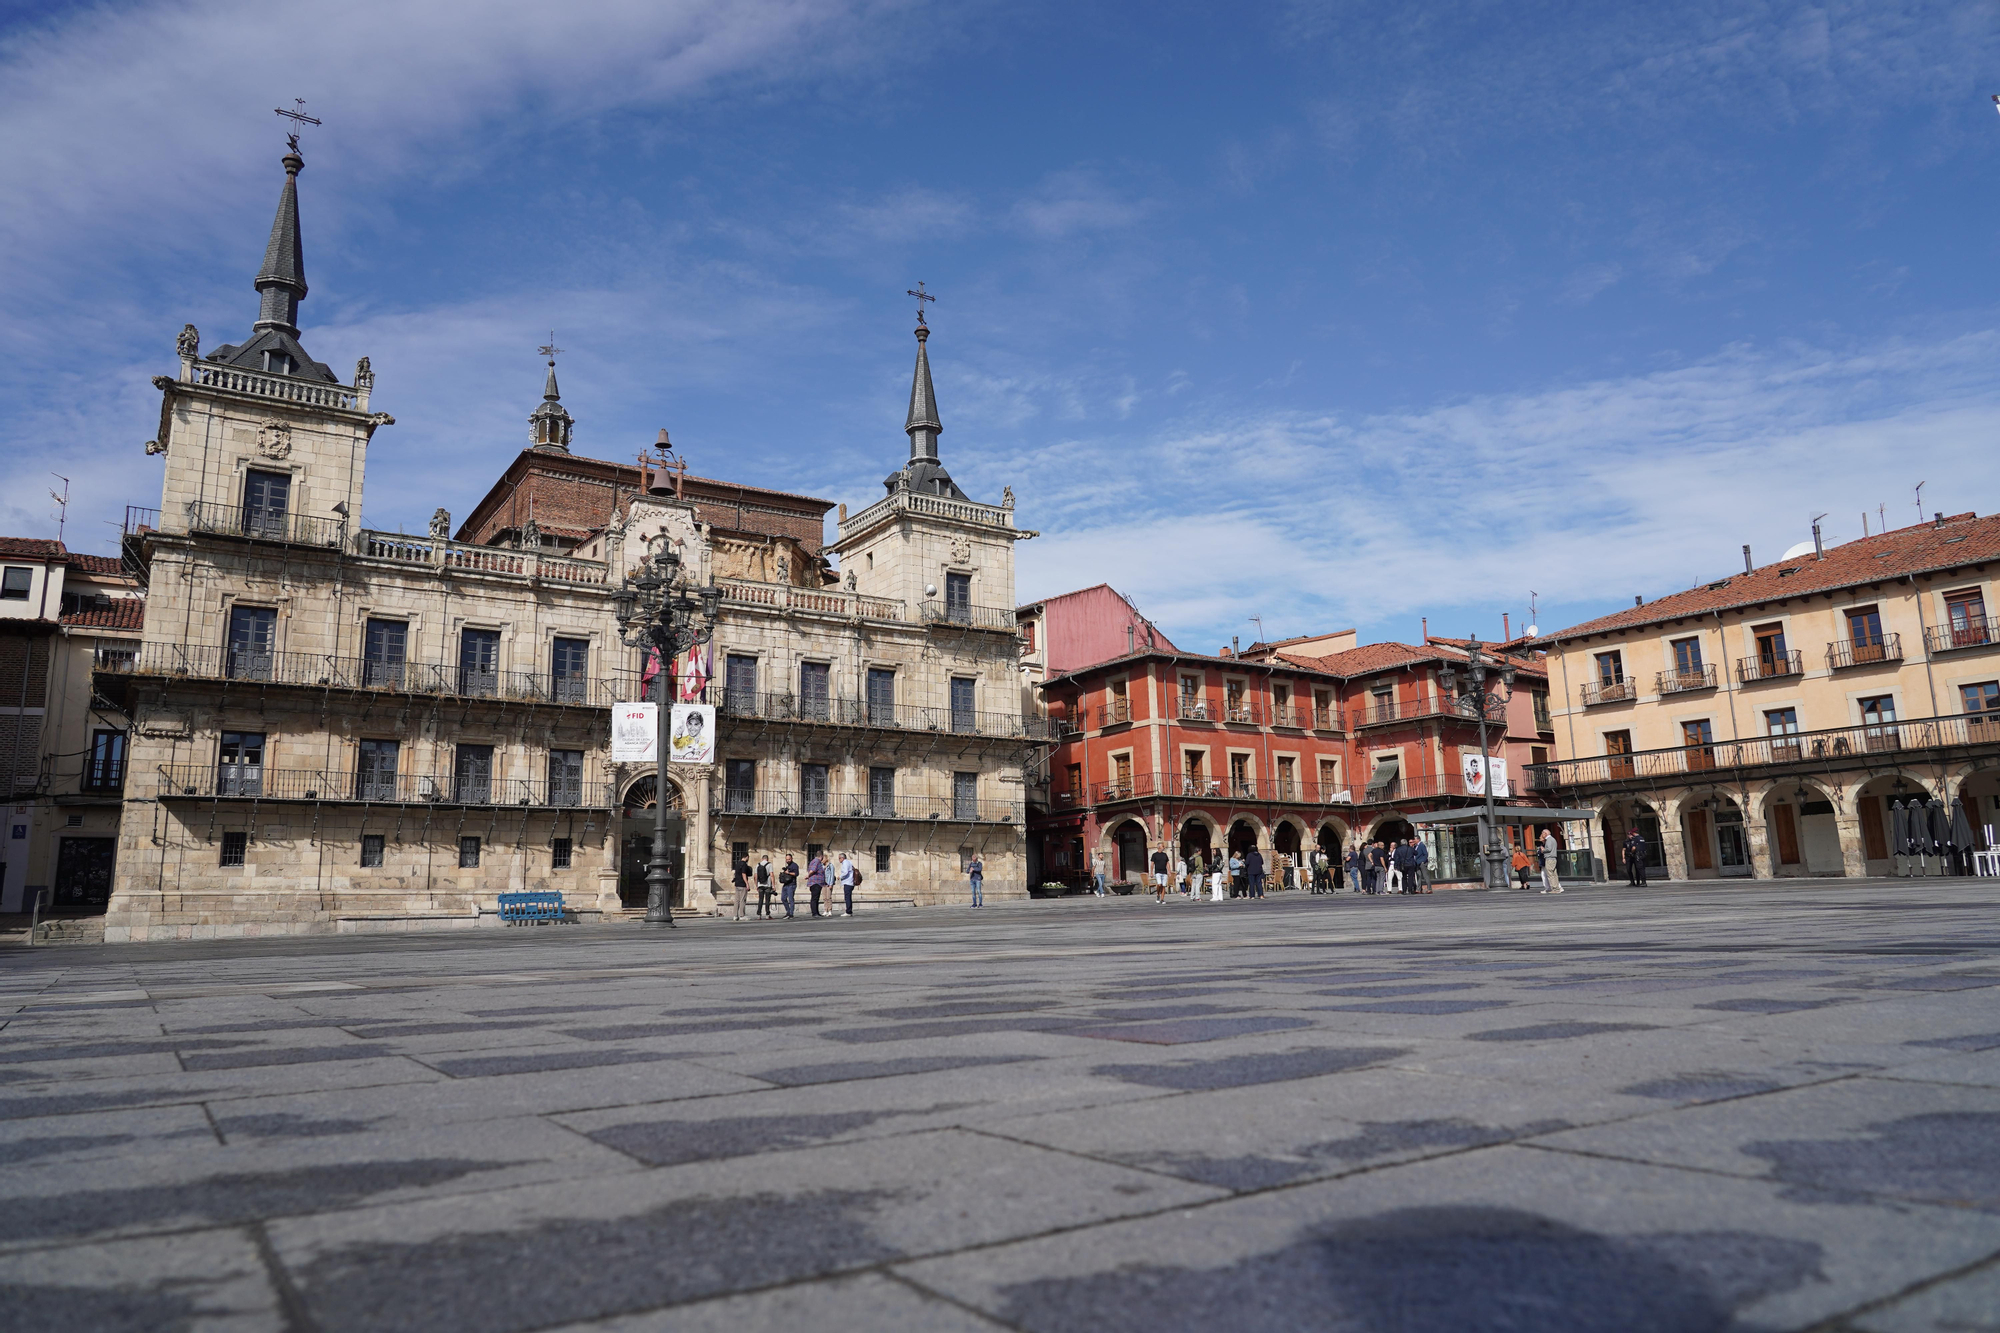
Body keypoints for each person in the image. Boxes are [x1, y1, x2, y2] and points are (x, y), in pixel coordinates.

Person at [1540, 828, 1564, 894]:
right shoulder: (1553, 839)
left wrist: (1543, 850)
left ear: (1545, 833)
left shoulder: (1549, 840)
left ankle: (1554, 888)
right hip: (1553, 858)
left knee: (1550, 874)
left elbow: (1549, 849)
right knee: (1554, 874)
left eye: (1542, 833)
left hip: (1549, 858)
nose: (1542, 835)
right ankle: (1557, 887)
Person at [729, 853, 750, 920]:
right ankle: (742, 915)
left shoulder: (737, 864)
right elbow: (743, 874)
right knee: (742, 900)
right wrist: (747, 883)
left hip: (737, 884)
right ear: (746, 857)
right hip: (742, 884)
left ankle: (735, 915)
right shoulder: (744, 864)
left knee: (737, 900)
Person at [806, 852, 826, 916]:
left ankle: (816, 912)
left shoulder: (814, 861)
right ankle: (814, 913)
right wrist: (808, 875)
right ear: (821, 856)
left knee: (816, 898)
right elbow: (813, 870)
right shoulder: (817, 861)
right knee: (814, 898)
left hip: (816, 883)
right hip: (815, 882)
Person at [779, 854, 799, 919]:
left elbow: (796, 874)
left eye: (789, 859)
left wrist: (789, 873)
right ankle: (788, 911)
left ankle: (791, 913)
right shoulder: (787, 866)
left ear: (791, 858)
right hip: (786, 884)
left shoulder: (794, 865)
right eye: (786, 859)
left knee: (791, 899)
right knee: (783, 898)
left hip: (791, 884)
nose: (787, 860)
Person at [837, 851, 857, 915]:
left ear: (842, 858)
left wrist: (840, 876)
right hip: (850, 882)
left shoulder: (845, 863)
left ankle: (848, 911)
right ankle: (849, 910)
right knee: (848, 897)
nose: (839, 860)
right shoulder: (849, 862)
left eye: (839, 858)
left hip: (848, 882)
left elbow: (845, 872)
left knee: (847, 897)